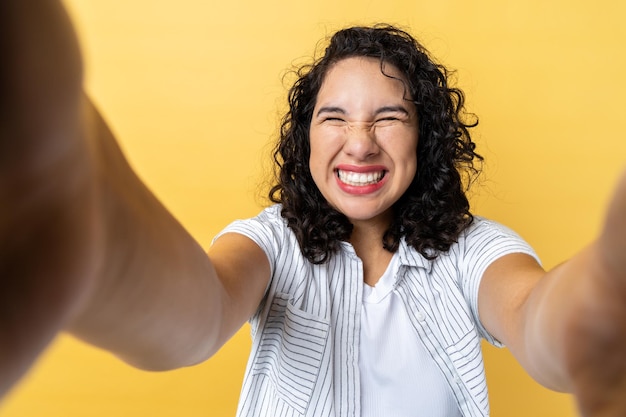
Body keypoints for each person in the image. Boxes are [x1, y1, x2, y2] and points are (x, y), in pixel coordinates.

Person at [2, 1, 625, 416]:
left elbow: (536, 316)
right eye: (334, 118)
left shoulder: (471, 250)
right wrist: (93, 230)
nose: (359, 142)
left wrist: (601, 291)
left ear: (423, 139)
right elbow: (197, 313)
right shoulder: (271, 244)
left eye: (389, 117)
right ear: (307, 139)